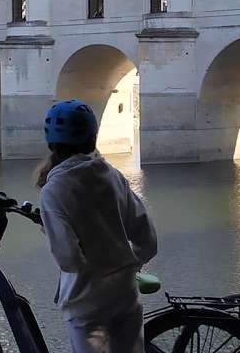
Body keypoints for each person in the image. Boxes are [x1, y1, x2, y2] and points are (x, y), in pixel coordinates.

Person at [34, 99, 158, 353]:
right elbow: (148, 241)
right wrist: (124, 264)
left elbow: (69, 260)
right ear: (93, 137)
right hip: (125, 295)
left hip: (86, 305)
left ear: (51, 143)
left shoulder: (54, 190)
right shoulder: (113, 176)